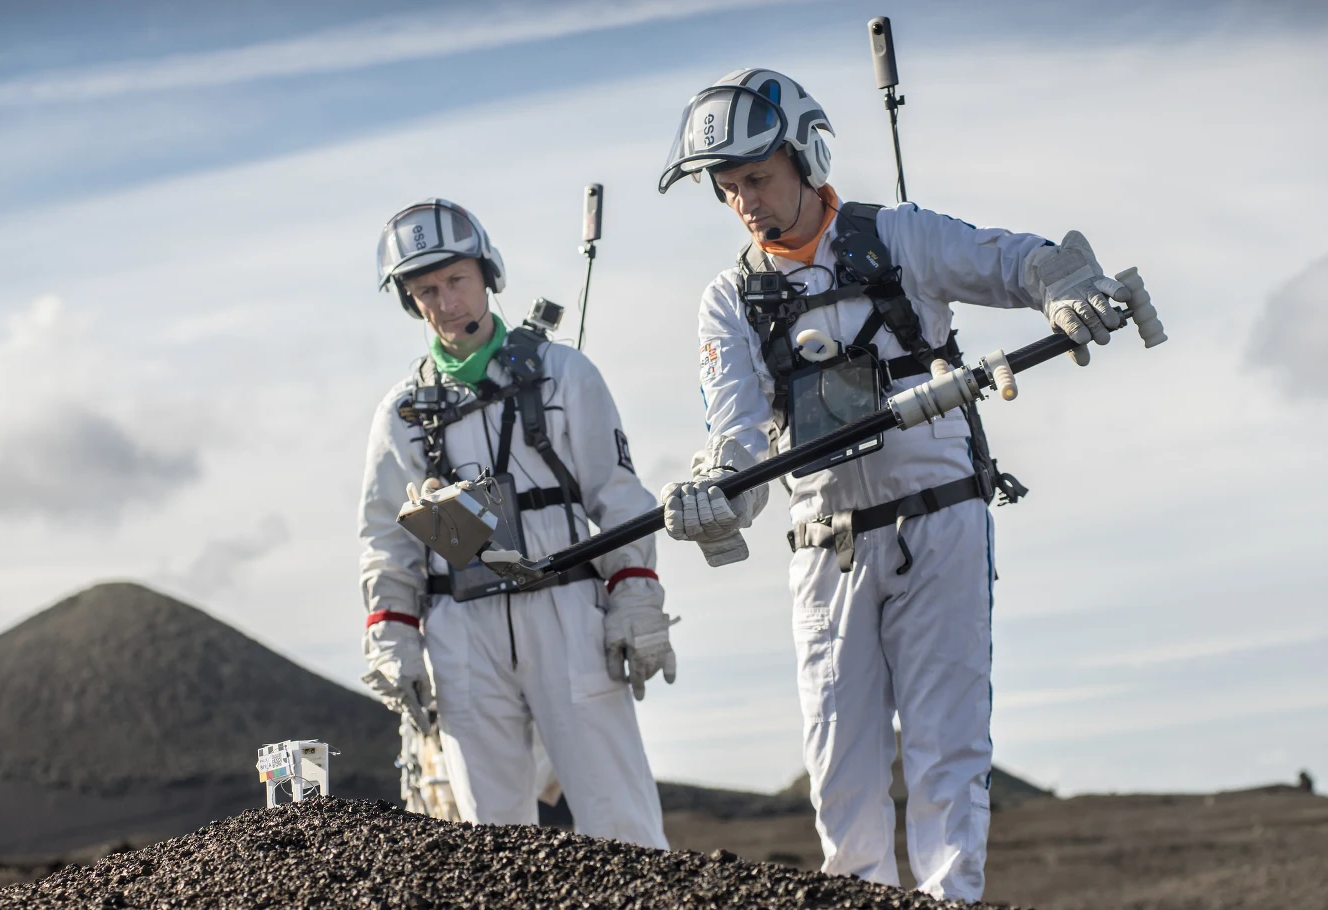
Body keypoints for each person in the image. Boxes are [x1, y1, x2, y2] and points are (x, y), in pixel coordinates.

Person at [656, 69, 1141, 901]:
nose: (745, 202)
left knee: (947, 750)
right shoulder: (729, 300)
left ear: (805, 157)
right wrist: (718, 494)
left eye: (758, 178)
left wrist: (1065, 286)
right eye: (727, 188)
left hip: (940, 521)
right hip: (825, 546)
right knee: (838, 769)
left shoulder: (900, 236)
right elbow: (735, 436)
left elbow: (1015, 262)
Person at [358, 198, 673, 847]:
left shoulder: (564, 374)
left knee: (620, 821)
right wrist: (392, 637)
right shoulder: (400, 414)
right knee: (491, 841)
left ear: (488, 273)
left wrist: (636, 596)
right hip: (460, 631)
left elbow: (618, 497)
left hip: (568, 614)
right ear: (410, 301)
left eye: (456, 280)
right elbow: (386, 541)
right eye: (426, 291)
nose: (446, 303)